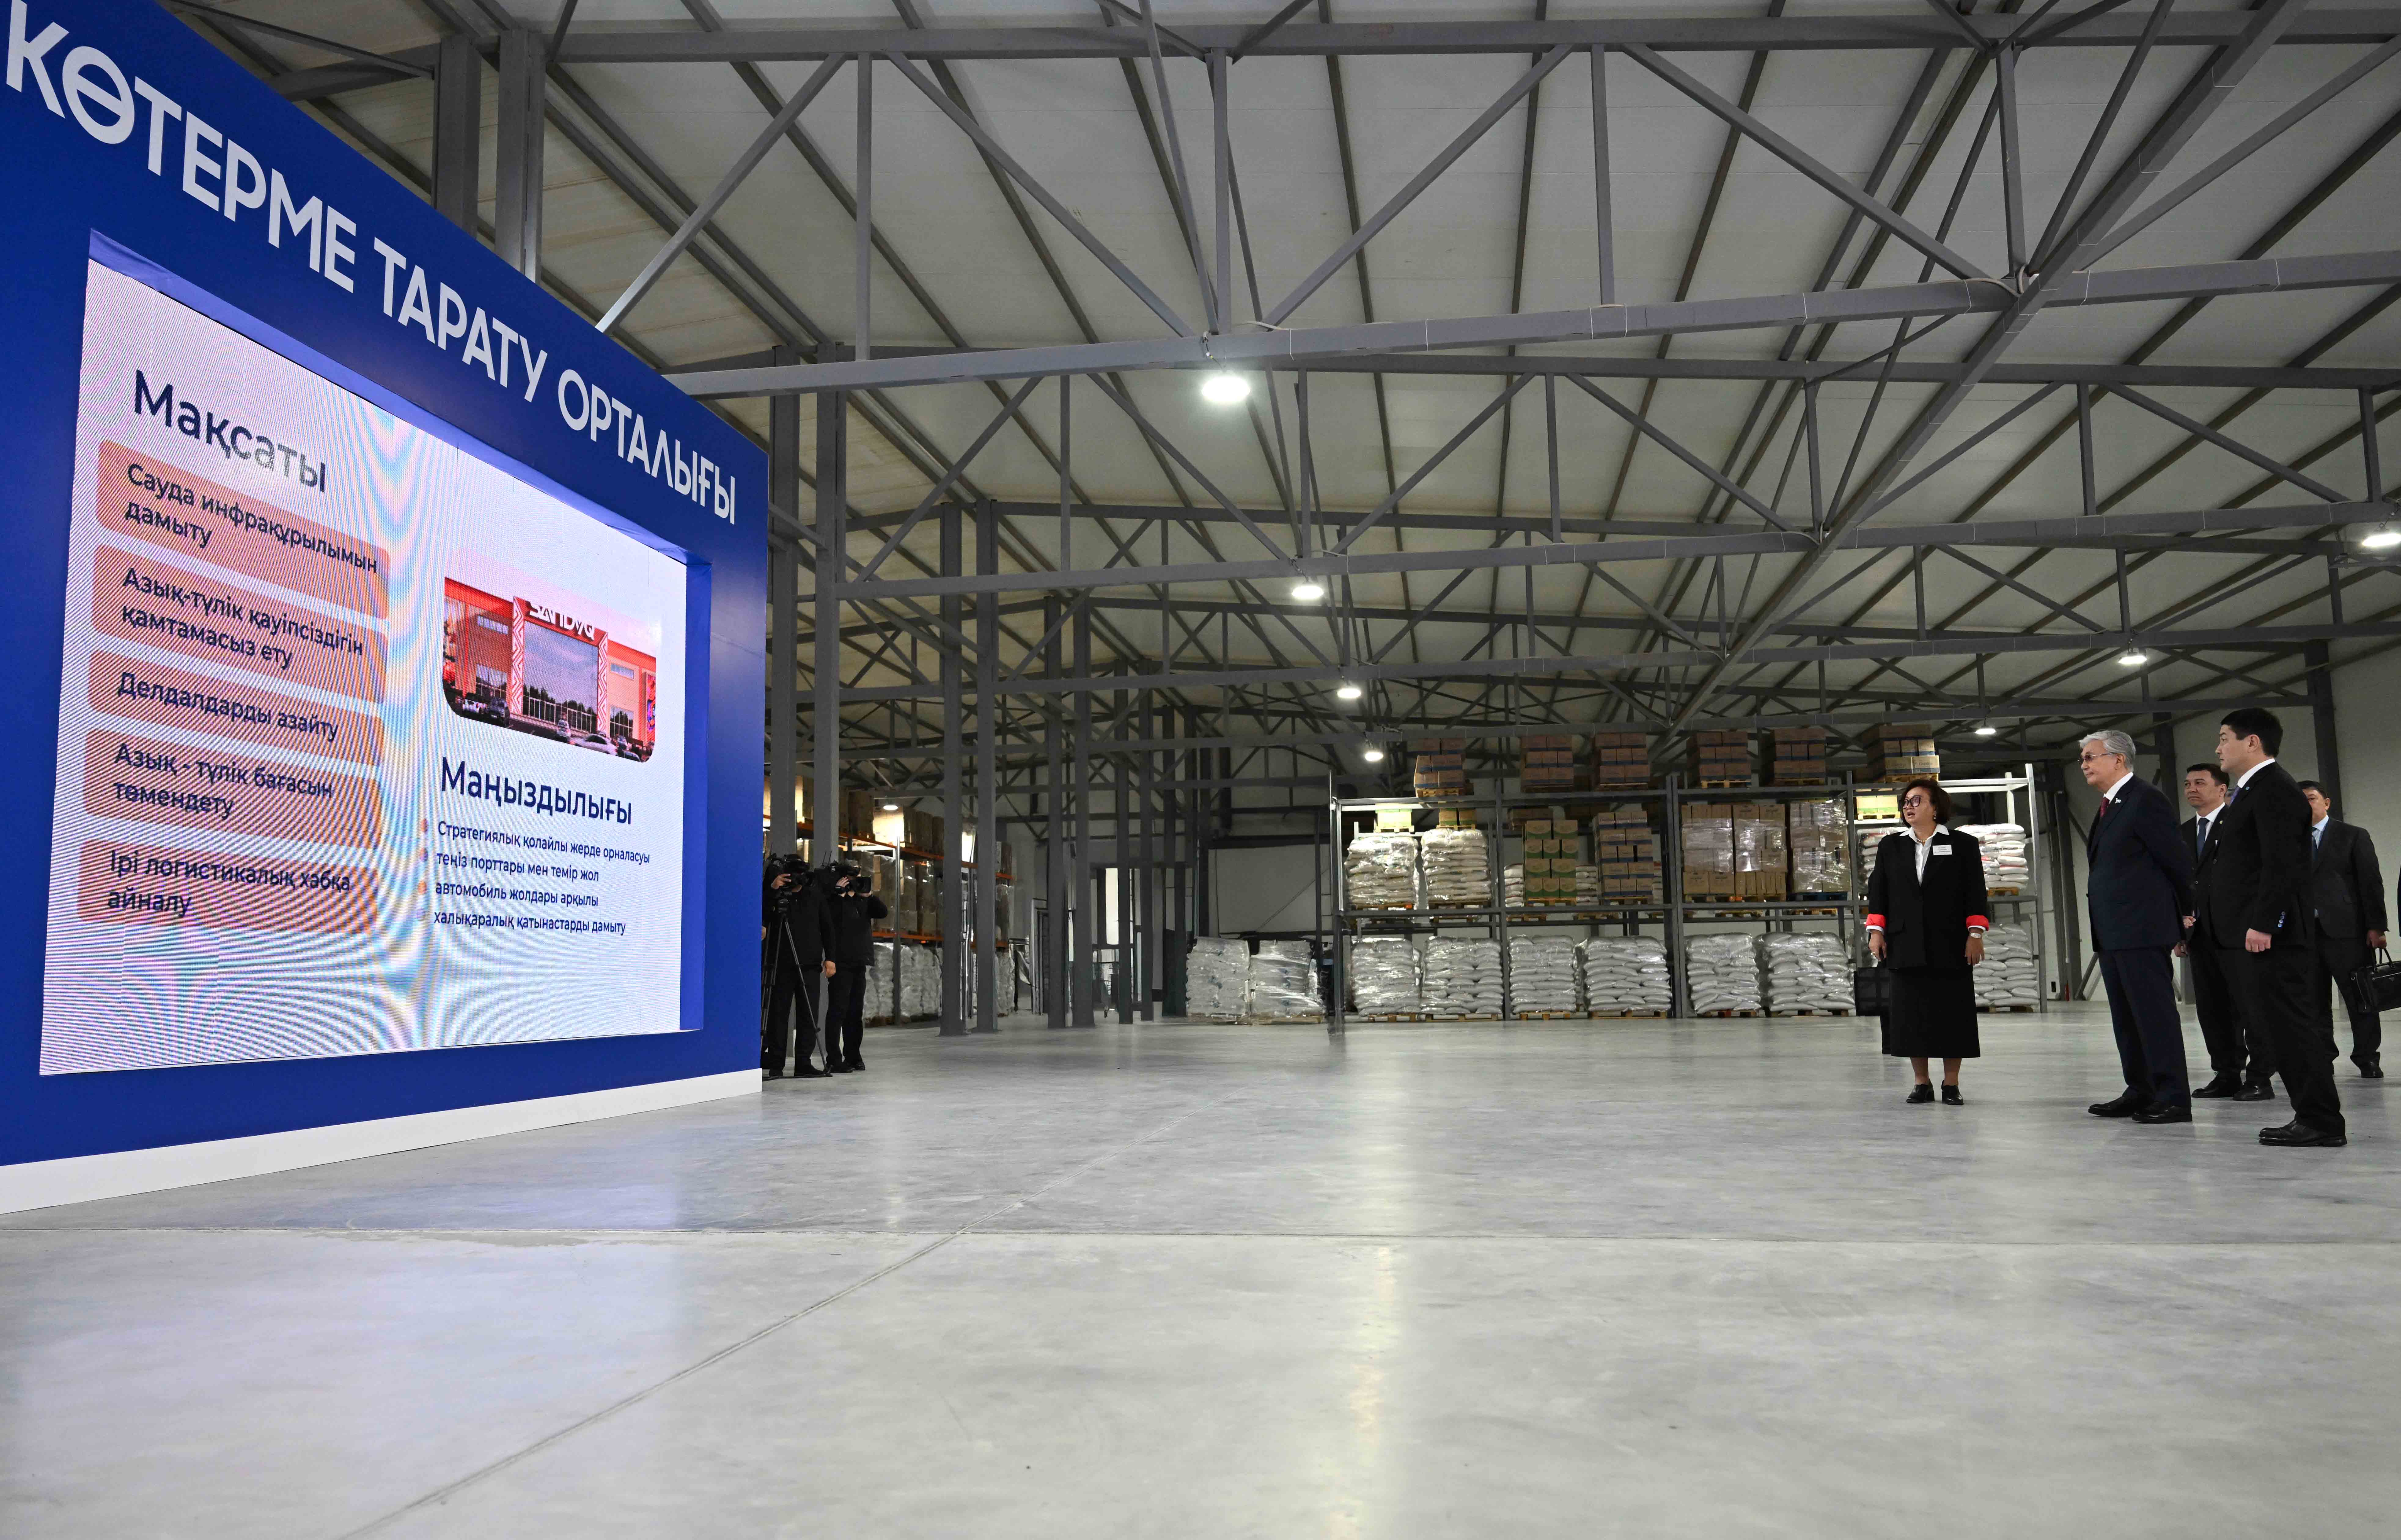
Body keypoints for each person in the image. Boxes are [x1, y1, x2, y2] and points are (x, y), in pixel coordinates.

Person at [2213, 708, 2344, 1147]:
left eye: (2225, 738)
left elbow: (2282, 864)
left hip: (2275, 935)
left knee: (2292, 1027)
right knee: (2279, 1027)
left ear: (2252, 741)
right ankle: (2312, 1115)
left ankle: (2320, 1120)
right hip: (2257, 932)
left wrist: (2265, 923)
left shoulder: (2274, 789)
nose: (2219, 747)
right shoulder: (2254, 790)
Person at [2077, 730, 2195, 1124]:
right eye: (2082, 758)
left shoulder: (2145, 799)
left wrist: (2186, 914)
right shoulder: (2111, 804)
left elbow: (2175, 860)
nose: (2083, 764)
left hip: (2141, 928)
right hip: (2113, 930)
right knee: (2126, 1019)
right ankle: (2140, 1089)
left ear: (2118, 759)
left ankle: (2173, 1097)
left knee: (2153, 1015)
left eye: (2090, 756)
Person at [1864, 777, 1989, 1105]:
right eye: (1906, 801)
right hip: (1904, 942)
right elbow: (1879, 891)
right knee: (1910, 1016)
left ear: (1936, 807)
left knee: (1953, 1014)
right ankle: (1922, 1083)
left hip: (1950, 943)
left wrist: (1975, 934)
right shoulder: (1890, 846)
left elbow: (1975, 891)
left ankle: (1951, 1084)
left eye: (1916, 800)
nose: (1909, 806)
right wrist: (1876, 931)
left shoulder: (1962, 844)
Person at [2177, 763, 2267, 1099]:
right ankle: (2226, 1073)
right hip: (2200, 935)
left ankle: (2260, 1077)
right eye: (2188, 784)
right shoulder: (2183, 832)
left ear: (2221, 789)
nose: (2192, 789)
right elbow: (2179, 882)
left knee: (2250, 1008)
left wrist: (2262, 924)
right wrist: (2178, 926)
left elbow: (2259, 877)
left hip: (2240, 933)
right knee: (2212, 1011)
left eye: (2200, 783)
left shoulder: (2240, 826)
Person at [2300, 780, 2386, 1079]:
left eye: (2311, 798)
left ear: (2326, 802)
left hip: (2348, 932)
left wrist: (2376, 926)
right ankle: (2323, 1056)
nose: (2305, 805)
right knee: (2313, 1001)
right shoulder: (2287, 840)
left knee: (2360, 997)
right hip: (2304, 933)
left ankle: (2367, 1057)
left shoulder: (2352, 835)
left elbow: (2371, 883)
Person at [761, 858, 836, 1079]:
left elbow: (828, 928)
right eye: (792, 875)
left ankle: (804, 1062)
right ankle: (776, 1064)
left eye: (800, 875)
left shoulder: (815, 896)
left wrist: (831, 959)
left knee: (808, 1016)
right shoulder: (775, 895)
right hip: (780, 964)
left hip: (810, 965)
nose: (796, 880)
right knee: (778, 1016)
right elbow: (760, 917)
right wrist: (772, 890)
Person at [823, 863, 889, 1074]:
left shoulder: (863, 901)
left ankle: (853, 1056)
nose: (855, 882)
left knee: (855, 1013)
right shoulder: (834, 901)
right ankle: (834, 1059)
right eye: (852, 878)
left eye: (858, 878)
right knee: (838, 1012)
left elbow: (883, 912)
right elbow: (831, 923)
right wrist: (839, 895)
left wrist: (869, 894)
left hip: (859, 963)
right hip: (841, 964)